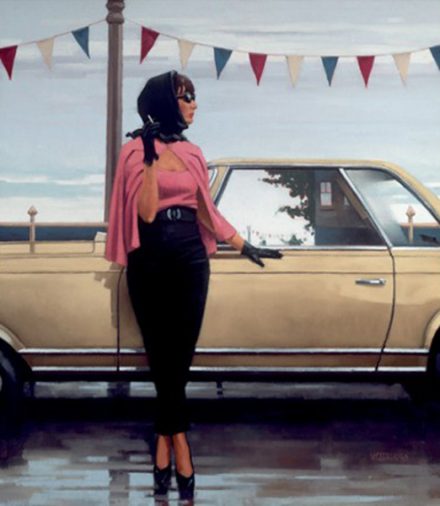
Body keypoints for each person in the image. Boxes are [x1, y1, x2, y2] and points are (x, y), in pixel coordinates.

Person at [105, 70, 283, 501]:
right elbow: (147, 213)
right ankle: (180, 443)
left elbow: (205, 210)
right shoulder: (134, 151)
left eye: (194, 97)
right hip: (149, 258)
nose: (194, 104)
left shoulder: (193, 152)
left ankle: (165, 442)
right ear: (166, 103)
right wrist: (150, 157)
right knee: (160, 356)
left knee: (179, 358)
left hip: (189, 258)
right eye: (186, 97)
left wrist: (243, 245)